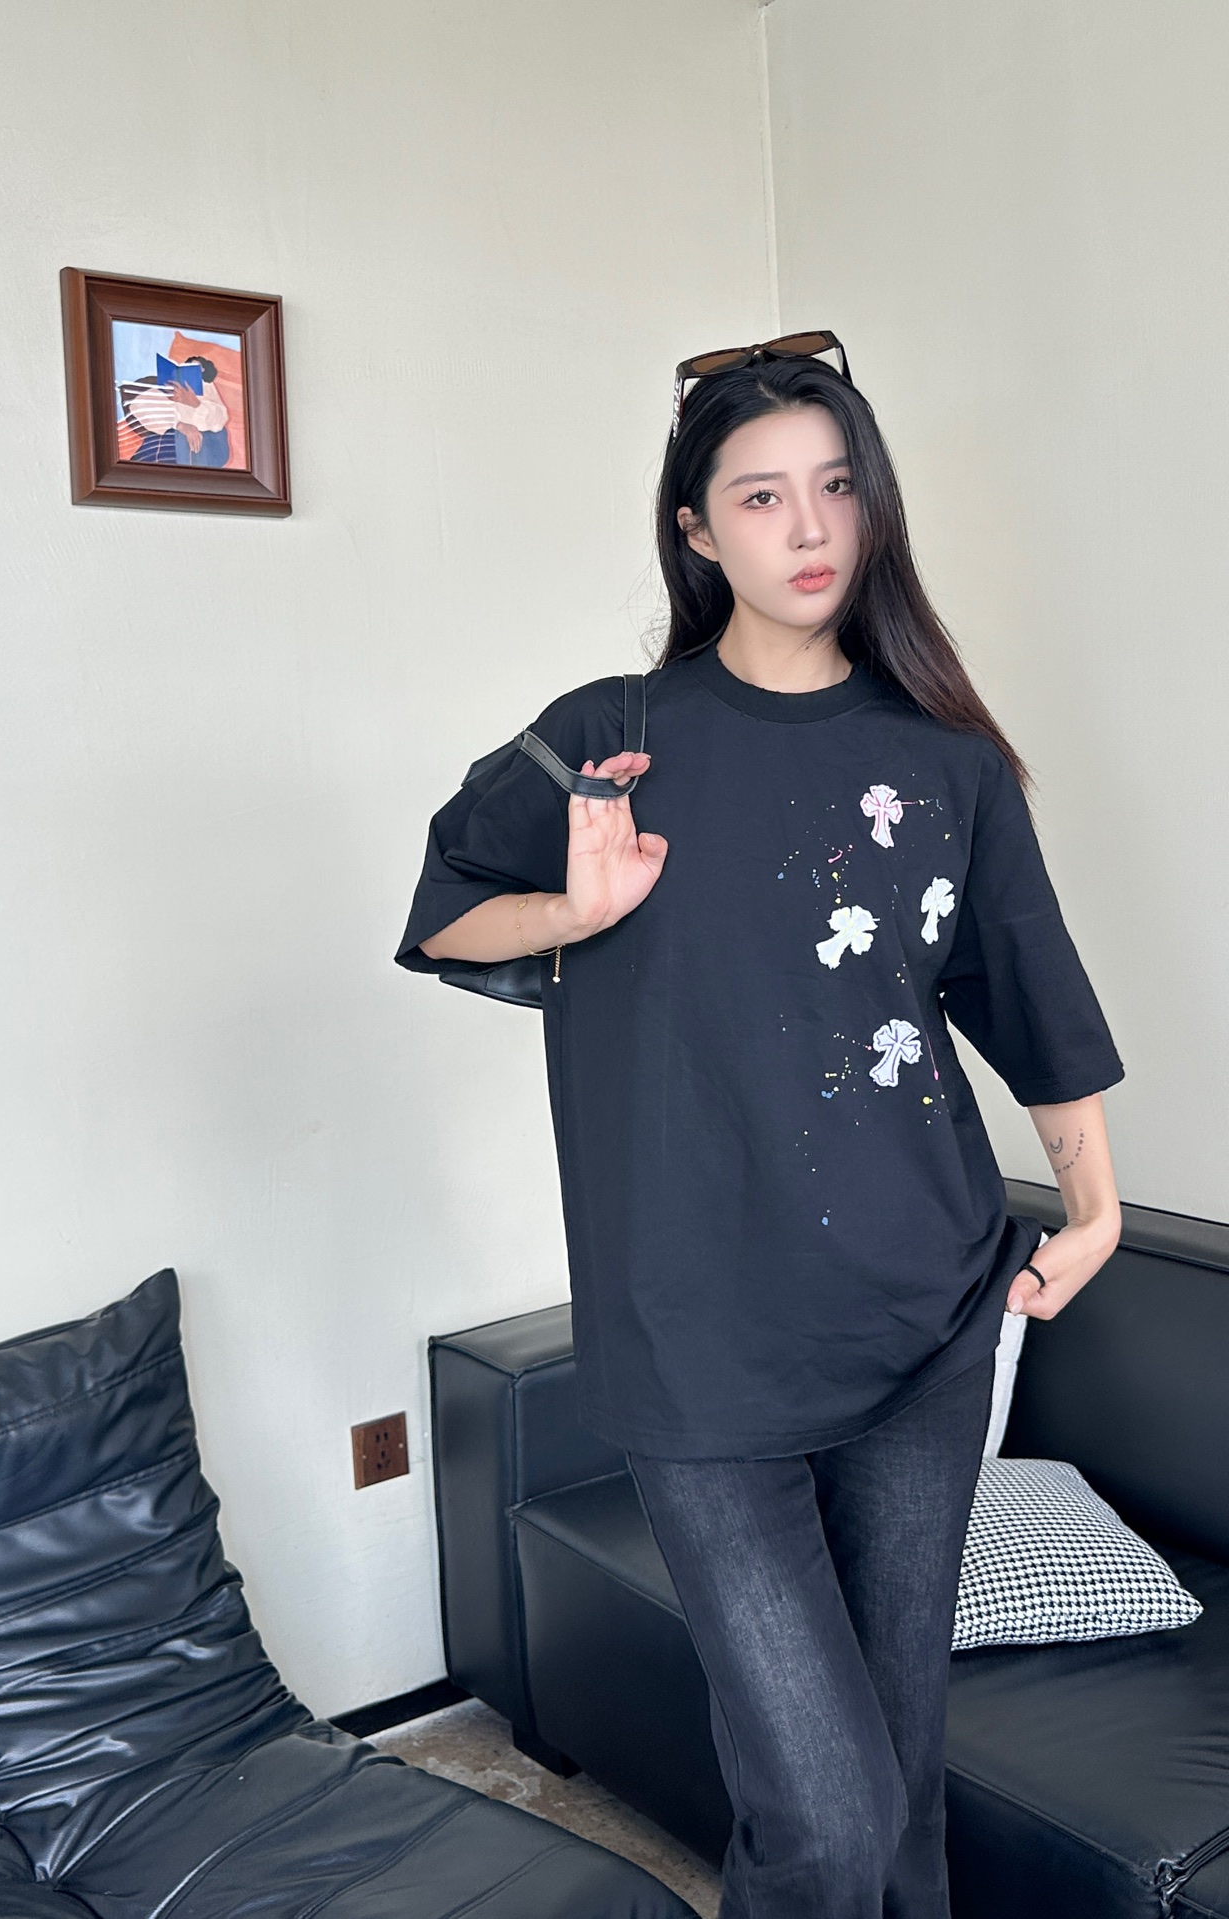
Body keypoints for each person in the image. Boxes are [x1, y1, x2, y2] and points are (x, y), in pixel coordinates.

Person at [394, 335, 1124, 1919]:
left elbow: (1030, 992)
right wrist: (569, 910)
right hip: (696, 1343)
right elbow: (441, 912)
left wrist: (1097, 1203)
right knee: (830, 1820)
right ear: (696, 529)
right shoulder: (611, 737)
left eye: (837, 487)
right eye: (761, 496)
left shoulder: (949, 765)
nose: (809, 528)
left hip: (925, 1320)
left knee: (898, 1784)